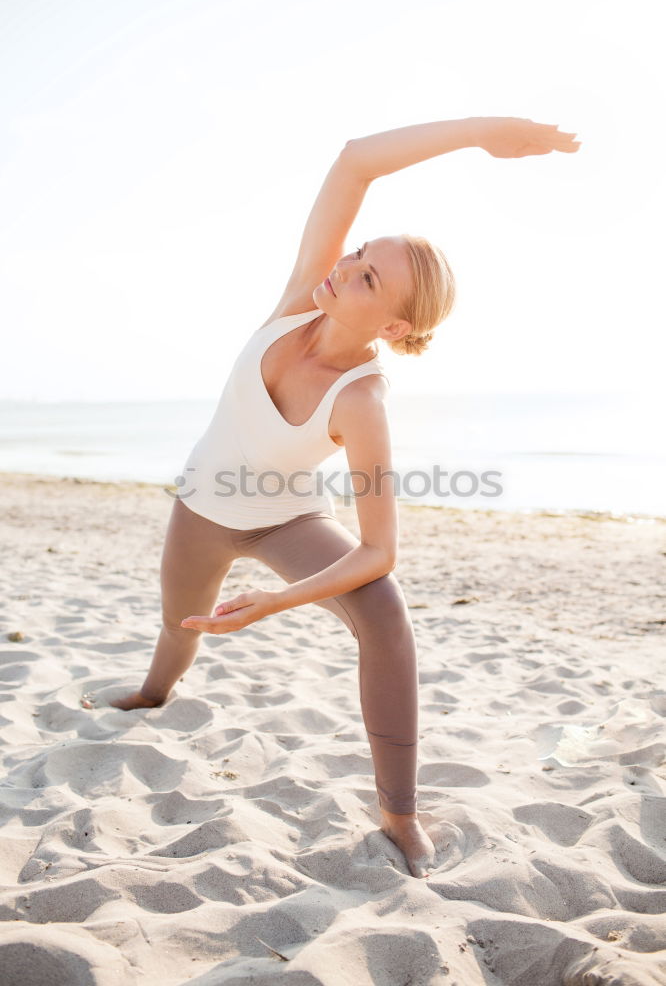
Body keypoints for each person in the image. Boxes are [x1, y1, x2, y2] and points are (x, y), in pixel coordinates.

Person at [99, 116, 580, 878]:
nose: (344, 267)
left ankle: (401, 816)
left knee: (383, 612)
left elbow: (378, 549)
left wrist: (272, 604)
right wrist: (482, 133)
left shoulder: (363, 402)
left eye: (366, 276)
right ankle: (154, 695)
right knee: (177, 627)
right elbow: (355, 162)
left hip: (282, 524)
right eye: (358, 254)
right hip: (199, 507)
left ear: (392, 324)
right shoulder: (298, 302)